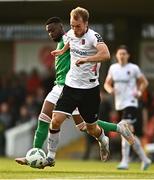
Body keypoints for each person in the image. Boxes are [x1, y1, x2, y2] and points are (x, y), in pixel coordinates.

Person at [15, 16, 134, 168]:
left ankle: (117, 128)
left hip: (72, 88)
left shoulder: (70, 37)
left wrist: (90, 66)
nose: (50, 33)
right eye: (48, 32)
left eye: (53, 30)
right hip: (58, 86)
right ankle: (35, 154)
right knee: (44, 118)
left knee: (86, 126)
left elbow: (94, 51)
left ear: (61, 27)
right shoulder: (62, 42)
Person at [104, 45, 151, 170]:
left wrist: (140, 92)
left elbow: (144, 82)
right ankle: (145, 159)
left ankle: (125, 161)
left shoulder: (133, 68)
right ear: (116, 55)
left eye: (124, 53)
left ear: (128, 56)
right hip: (119, 104)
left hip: (131, 103)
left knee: (122, 127)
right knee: (127, 133)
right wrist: (110, 90)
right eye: (120, 54)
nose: (122, 56)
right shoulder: (113, 68)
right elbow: (106, 84)